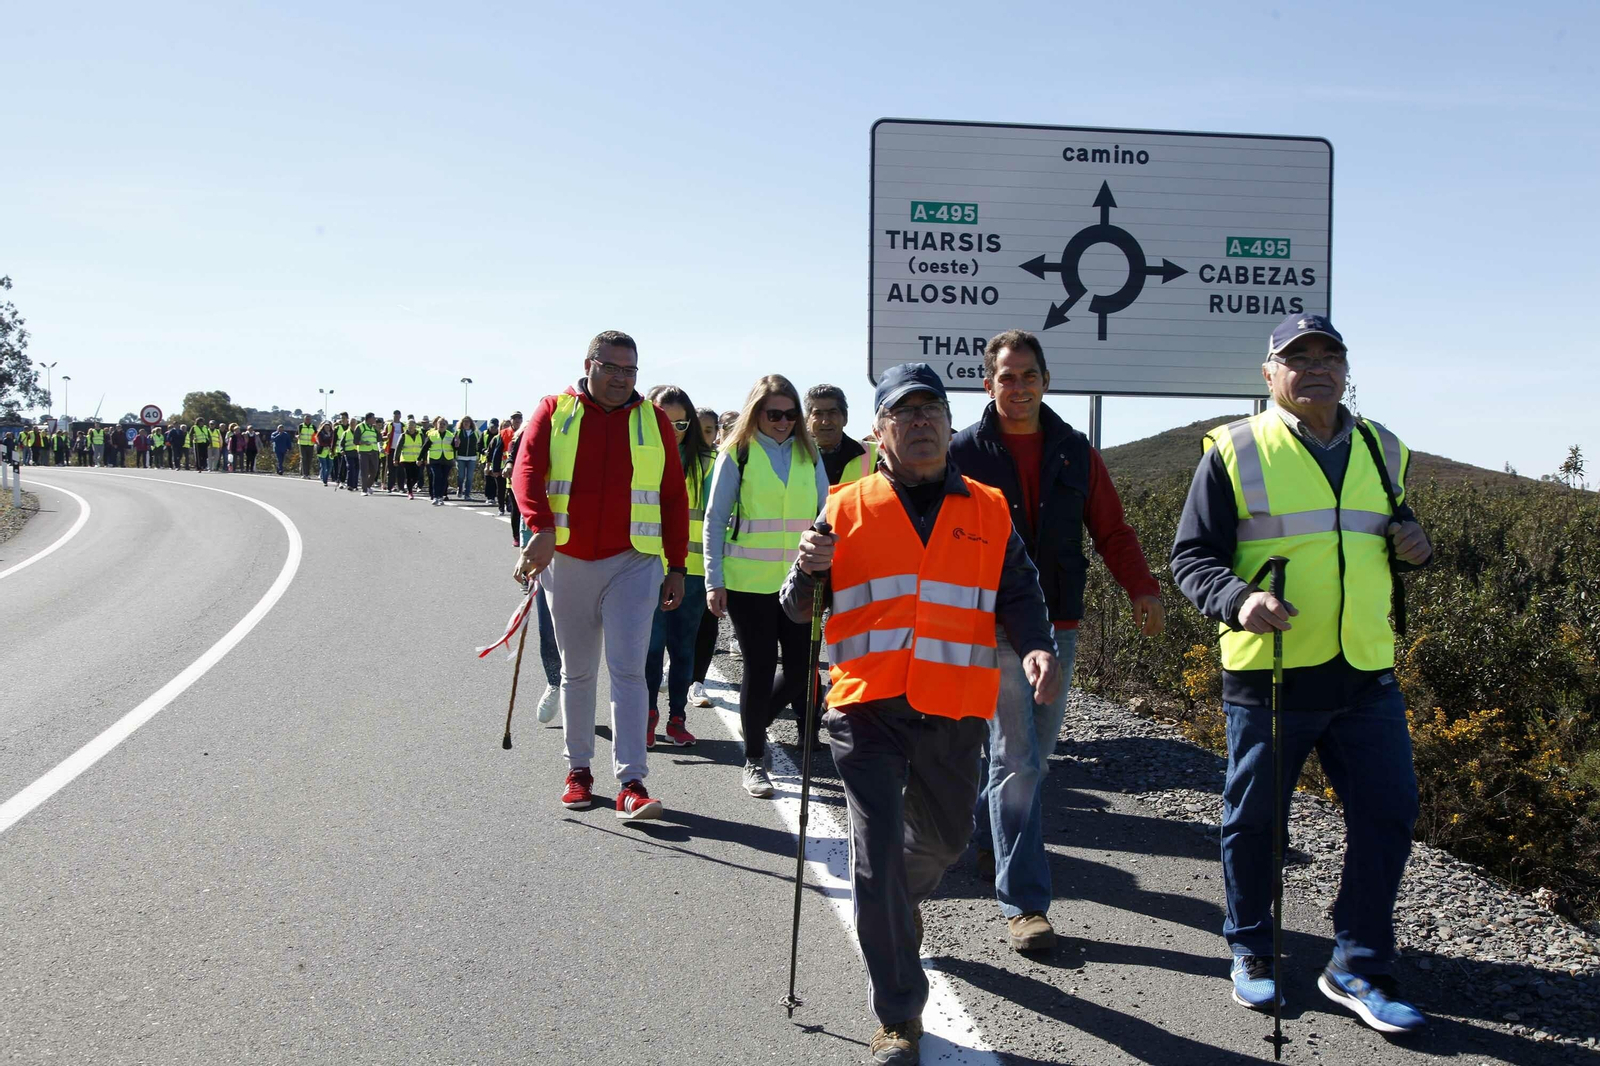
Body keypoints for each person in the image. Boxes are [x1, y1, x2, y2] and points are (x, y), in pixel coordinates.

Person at [782, 362, 1061, 1066]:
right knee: (874, 860)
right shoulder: (844, 505)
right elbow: (796, 607)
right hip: (864, 706)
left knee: (941, 844)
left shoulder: (989, 509)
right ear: (879, 433)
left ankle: (894, 905)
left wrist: (1035, 647)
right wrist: (807, 568)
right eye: (903, 414)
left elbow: (1020, 590)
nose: (921, 422)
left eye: (931, 409)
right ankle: (899, 1017)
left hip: (951, 709)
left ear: (947, 421)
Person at [1170, 313, 1432, 1033]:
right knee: (1256, 822)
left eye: (1329, 356)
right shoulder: (1235, 449)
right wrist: (1239, 598)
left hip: (1365, 672)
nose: (1315, 368)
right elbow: (1190, 558)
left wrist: (1417, 545)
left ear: (1346, 369)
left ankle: (1358, 964)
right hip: (1272, 674)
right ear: (1270, 374)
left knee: (1387, 815)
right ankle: (1252, 950)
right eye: (1298, 358)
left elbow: (1394, 535)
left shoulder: (1387, 448)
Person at [948, 329, 1166, 952]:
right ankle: (1025, 904)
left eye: (1029, 375)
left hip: (1059, 624)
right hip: (987, 623)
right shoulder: (963, 452)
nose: (1019, 387)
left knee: (1030, 759)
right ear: (988, 384)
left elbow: (1111, 528)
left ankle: (990, 840)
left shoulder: (1074, 451)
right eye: (1006, 377)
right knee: (1015, 756)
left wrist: (1142, 588)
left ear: (1046, 379)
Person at [511, 330, 689, 821]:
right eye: (611, 367)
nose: (620, 378)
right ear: (588, 364)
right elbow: (525, 472)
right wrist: (540, 529)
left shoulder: (652, 420)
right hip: (566, 561)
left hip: (634, 561)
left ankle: (632, 781)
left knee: (629, 669)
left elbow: (673, 495)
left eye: (629, 370)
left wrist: (678, 566)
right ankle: (578, 771)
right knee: (578, 670)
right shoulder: (554, 411)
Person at [703, 374, 830, 798]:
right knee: (758, 668)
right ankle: (754, 759)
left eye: (791, 415)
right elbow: (715, 520)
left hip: (799, 583)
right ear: (757, 412)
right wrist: (713, 580)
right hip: (747, 583)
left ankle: (753, 722)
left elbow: (825, 514)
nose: (783, 422)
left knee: (800, 670)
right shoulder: (737, 453)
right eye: (774, 414)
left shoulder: (808, 454)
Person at [642, 385, 715, 749]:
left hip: (695, 571)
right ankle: (648, 715)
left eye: (682, 423)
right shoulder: (640, 461)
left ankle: (677, 718)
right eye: (664, 422)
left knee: (682, 648)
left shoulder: (709, 465)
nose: (673, 430)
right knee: (650, 649)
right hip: (646, 568)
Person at [687, 406, 724, 709]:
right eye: (697, 429)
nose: (702, 436)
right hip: (671, 563)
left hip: (707, 564)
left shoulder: (720, 464)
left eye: (709, 430)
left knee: (706, 625)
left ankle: (697, 682)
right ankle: (672, 670)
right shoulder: (674, 460)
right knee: (670, 626)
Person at [805, 383, 878, 485]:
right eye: (818, 414)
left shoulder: (875, 455)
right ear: (807, 420)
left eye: (832, 413)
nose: (825, 421)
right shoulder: (792, 455)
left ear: (845, 418)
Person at [423, 416, 454, 505]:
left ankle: (441, 497)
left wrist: (457, 444)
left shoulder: (450, 435)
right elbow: (425, 447)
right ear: (437, 425)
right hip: (435, 460)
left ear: (446, 426)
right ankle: (435, 496)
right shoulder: (432, 435)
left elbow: (455, 447)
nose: (442, 425)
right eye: (440, 424)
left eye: (444, 424)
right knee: (437, 477)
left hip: (447, 460)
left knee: (444, 479)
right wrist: (420, 458)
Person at [395, 418, 424, 499]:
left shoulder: (420, 435)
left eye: (412, 425)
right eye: (409, 425)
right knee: (408, 476)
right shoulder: (403, 436)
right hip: (406, 459)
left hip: (417, 459)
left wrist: (424, 458)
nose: (411, 427)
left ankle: (410, 487)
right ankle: (410, 492)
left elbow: (423, 448)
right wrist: (395, 459)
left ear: (415, 426)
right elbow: (398, 448)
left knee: (416, 476)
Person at [453, 416, 480, 501]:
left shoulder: (475, 433)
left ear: (471, 423)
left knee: (469, 477)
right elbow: (454, 445)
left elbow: (478, 445)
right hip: (461, 457)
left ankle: (467, 494)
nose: (466, 423)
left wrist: (477, 456)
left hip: (472, 457)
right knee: (461, 476)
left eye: (468, 421)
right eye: (464, 421)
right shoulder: (458, 432)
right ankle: (460, 488)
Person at [355, 412, 381, 495]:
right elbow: (355, 441)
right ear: (368, 419)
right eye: (373, 418)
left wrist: (377, 430)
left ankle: (368, 486)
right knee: (364, 471)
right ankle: (364, 490)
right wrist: (363, 442)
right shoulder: (360, 427)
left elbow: (379, 439)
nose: (375, 420)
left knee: (375, 471)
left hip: (374, 451)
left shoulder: (374, 428)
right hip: (364, 452)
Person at [316, 420, 336, 485]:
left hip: (330, 452)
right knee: (324, 466)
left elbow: (333, 441)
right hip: (322, 452)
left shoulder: (332, 433)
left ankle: (326, 477)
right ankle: (325, 480)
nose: (327, 428)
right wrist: (326, 445)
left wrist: (331, 447)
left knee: (330, 466)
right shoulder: (320, 433)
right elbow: (320, 442)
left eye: (328, 427)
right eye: (326, 427)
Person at [298, 414, 318, 478]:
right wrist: (297, 436)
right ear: (304, 419)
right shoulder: (301, 426)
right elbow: (296, 434)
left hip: (310, 445)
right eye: (306, 419)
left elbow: (316, 435)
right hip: (302, 444)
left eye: (309, 419)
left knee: (309, 460)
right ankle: (304, 474)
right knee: (304, 459)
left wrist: (315, 441)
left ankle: (307, 474)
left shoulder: (313, 427)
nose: (308, 420)